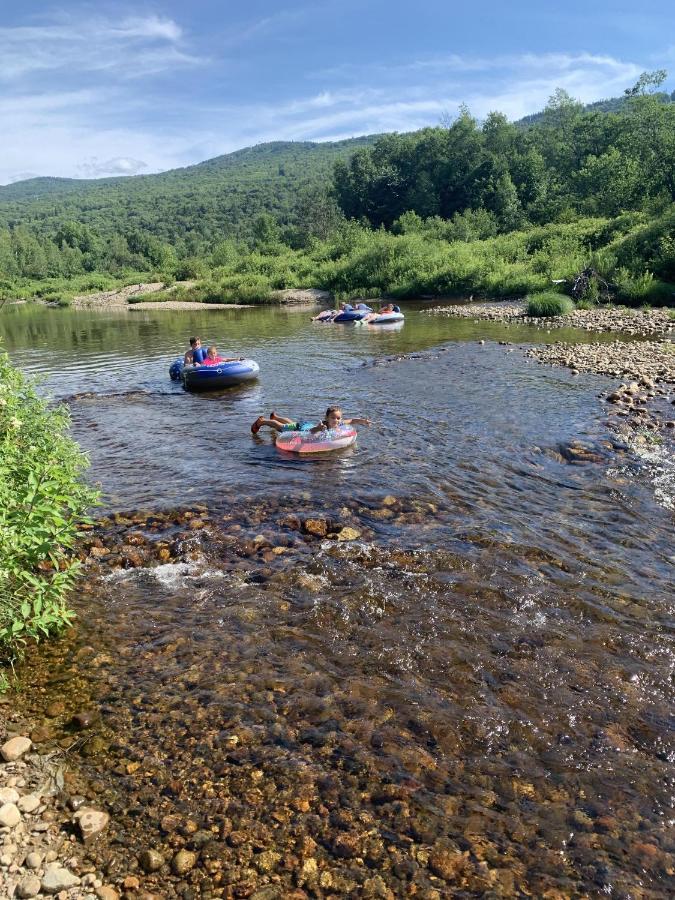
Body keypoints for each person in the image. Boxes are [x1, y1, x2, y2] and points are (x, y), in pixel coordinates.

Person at [251, 405, 372, 435]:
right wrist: (319, 428)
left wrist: (362, 421)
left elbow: (351, 421)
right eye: (333, 418)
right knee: (281, 427)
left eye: (338, 418)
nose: (336, 420)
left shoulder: (339, 423)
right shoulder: (323, 425)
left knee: (291, 422)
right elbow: (312, 432)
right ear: (327, 418)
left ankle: (276, 417)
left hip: (305, 425)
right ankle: (262, 421)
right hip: (304, 429)